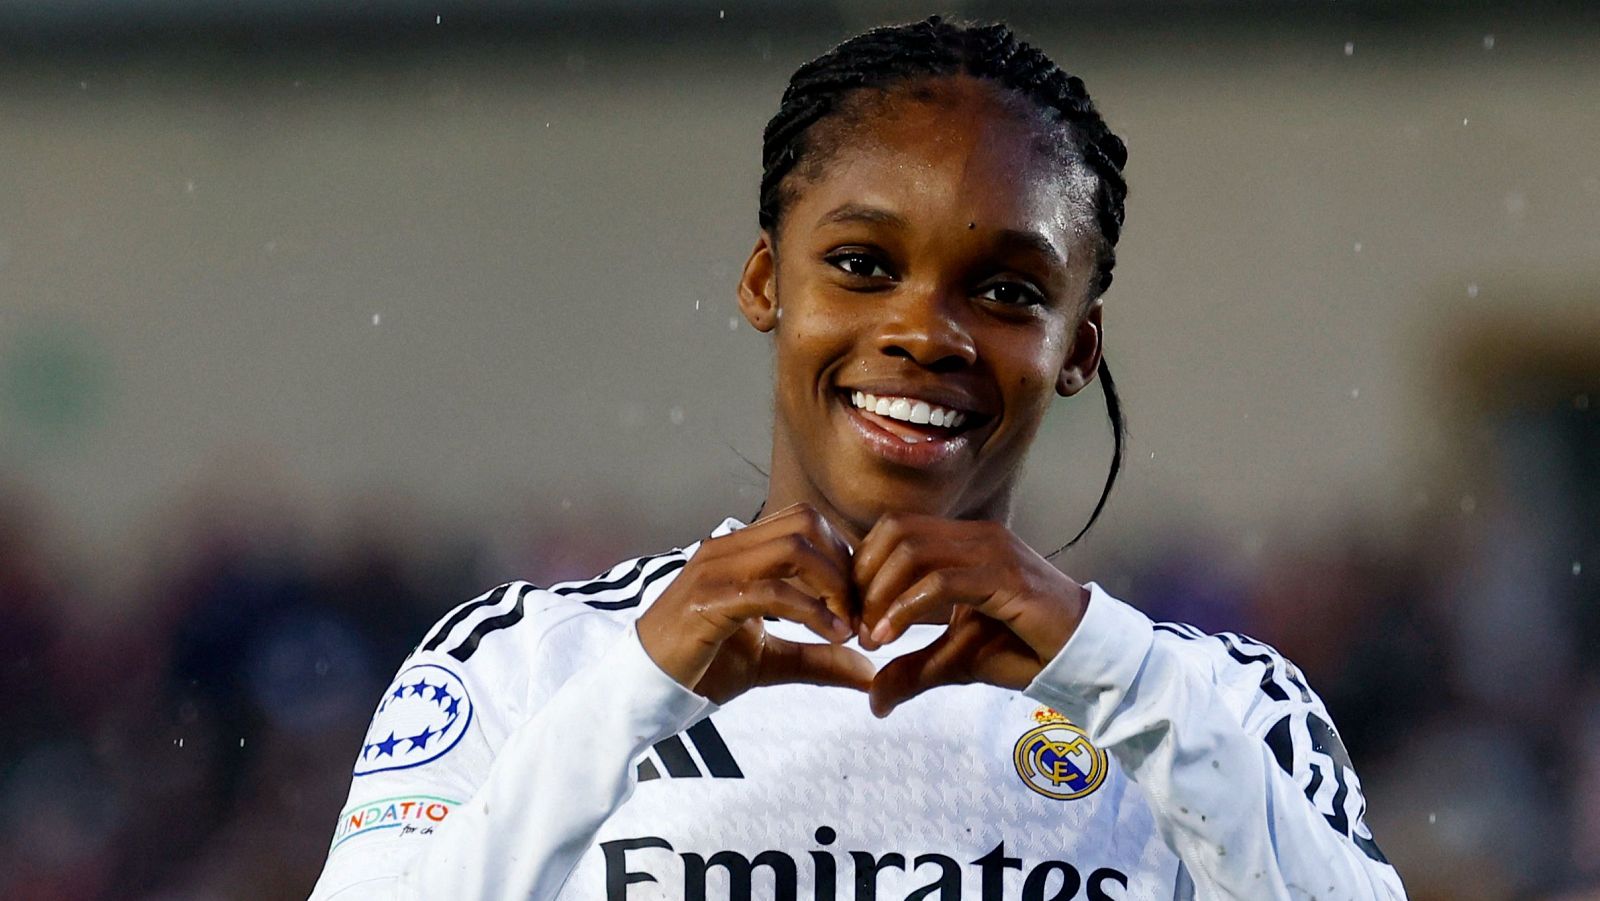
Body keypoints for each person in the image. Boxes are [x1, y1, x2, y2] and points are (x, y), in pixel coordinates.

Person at [308, 16, 1407, 900]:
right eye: (862, 263)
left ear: (1076, 347)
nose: (928, 332)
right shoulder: (526, 665)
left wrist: (1111, 672)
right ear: (763, 283)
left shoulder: (1217, 702)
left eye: (1009, 291)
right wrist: (636, 691)